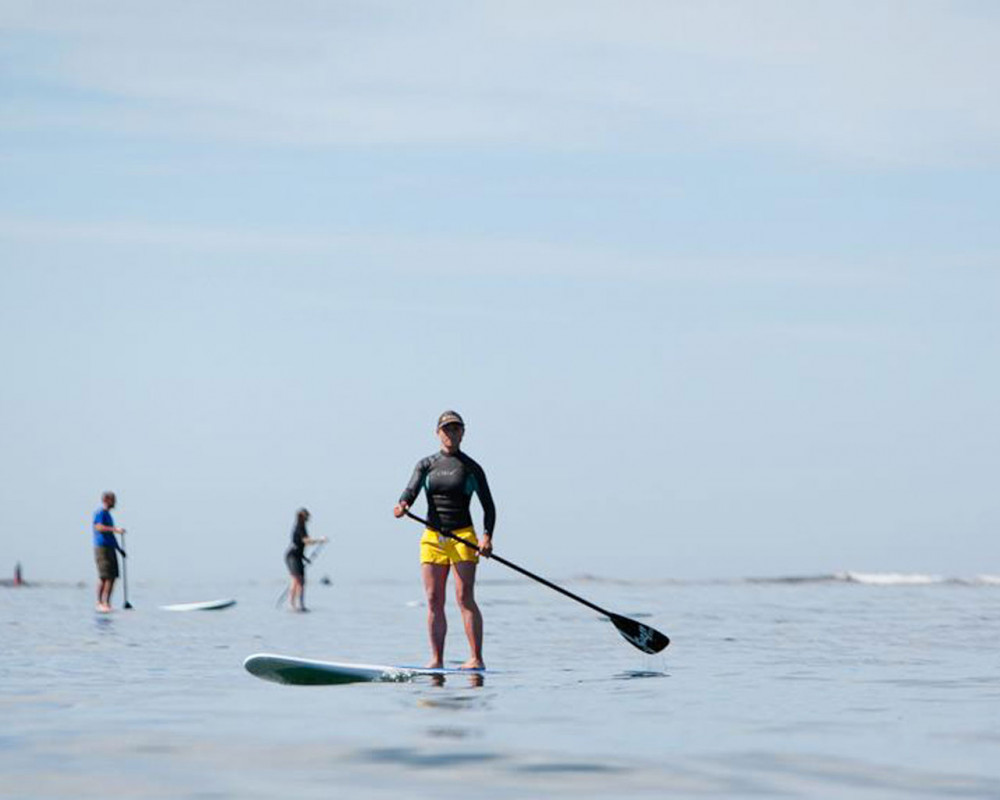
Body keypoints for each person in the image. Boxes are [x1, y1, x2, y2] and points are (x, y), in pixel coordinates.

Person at [393, 410, 496, 670]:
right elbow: (410, 490)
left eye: (456, 429)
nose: (451, 433)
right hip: (432, 537)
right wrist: (403, 504)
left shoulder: (471, 467)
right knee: (433, 599)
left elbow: (489, 507)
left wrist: (486, 538)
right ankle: (437, 659)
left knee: (464, 597)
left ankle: (476, 658)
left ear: (463, 432)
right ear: (437, 433)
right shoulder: (426, 464)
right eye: (446, 429)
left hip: (463, 536)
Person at [284, 508, 328, 612]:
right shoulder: (299, 527)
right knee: (296, 580)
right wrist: (320, 540)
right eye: (307, 516)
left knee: (302, 582)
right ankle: (292, 604)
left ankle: (301, 604)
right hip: (292, 556)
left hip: (299, 557)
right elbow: (307, 541)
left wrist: (305, 558)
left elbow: (304, 544)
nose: (309, 519)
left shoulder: (303, 527)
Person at [92, 491, 126, 612]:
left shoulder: (108, 515)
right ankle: (100, 602)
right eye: (113, 500)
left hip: (111, 548)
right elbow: (99, 527)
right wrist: (115, 529)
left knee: (112, 577)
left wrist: (119, 549)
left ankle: (107, 602)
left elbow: (111, 535)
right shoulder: (100, 513)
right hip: (102, 548)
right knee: (105, 576)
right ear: (107, 500)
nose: (115, 502)